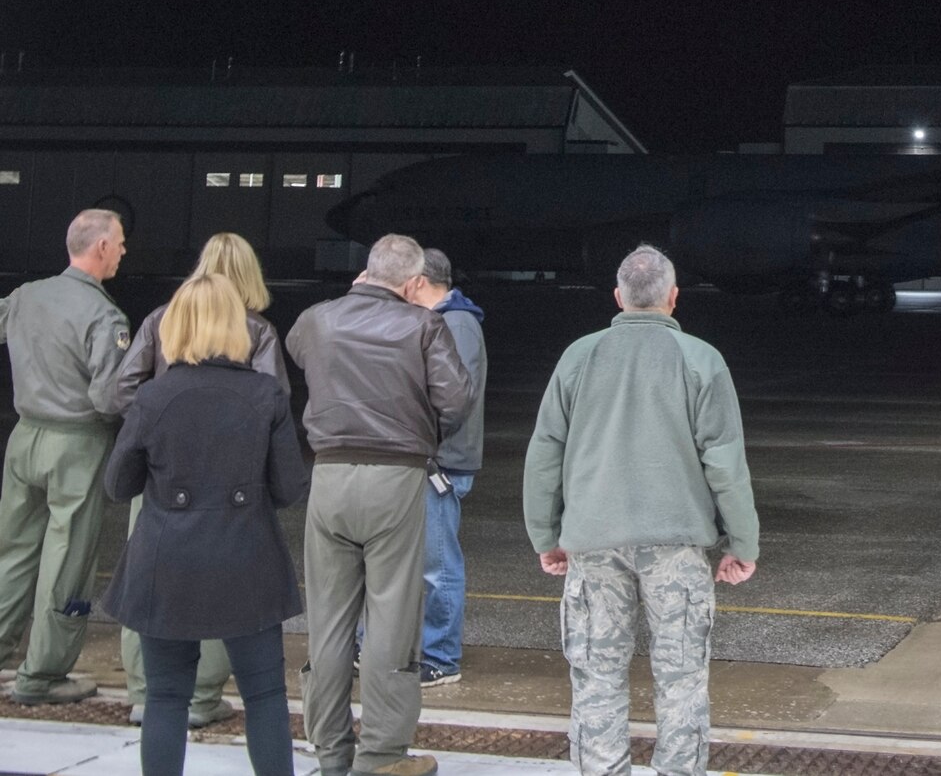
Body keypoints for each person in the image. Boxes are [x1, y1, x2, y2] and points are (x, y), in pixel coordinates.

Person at [524, 244, 759, 776]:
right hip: (677, 547)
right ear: (674, 299)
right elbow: (725, 463)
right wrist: (742, 543)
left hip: (593, 544)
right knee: (680, 678)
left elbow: (545, 454)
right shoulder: (702, 360)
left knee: (596, 674)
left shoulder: (578, 356)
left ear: (618, 297)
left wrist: (546, 534)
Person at [100, 273, 305, 776]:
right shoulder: (265, 396)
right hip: (245, 560)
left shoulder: (152, 397)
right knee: (264, 694)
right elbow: (288, 489)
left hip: (166, 561)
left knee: (167, 695)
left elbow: (118, 485)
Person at [287, 233, 472, 776]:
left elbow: (300, 352)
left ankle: (331, 754)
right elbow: (457, 399)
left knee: (328, 620)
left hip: (330, 474)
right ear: (415, 283)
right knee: (392, 617)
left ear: (365, 273)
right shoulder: (423, 325)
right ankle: (384, 756)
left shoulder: (318, 319)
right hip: (396, 477)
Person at [0, 208, 131, 705]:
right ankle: (43, 675)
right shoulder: (105, 315)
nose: (123, 250)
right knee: (67, 560)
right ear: (100, 247)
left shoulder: (28, 295)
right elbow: (105, 398)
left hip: (24, 436)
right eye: (119, 243)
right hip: (76, 444)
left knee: (11, 553)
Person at [409, 247, 487, 688]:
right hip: (436, 457)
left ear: (419, 281)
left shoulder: (454, 323)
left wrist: (419, 440)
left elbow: (455, 400)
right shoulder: (448, 320)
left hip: (440, 462)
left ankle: (440, 657)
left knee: (438, 564)